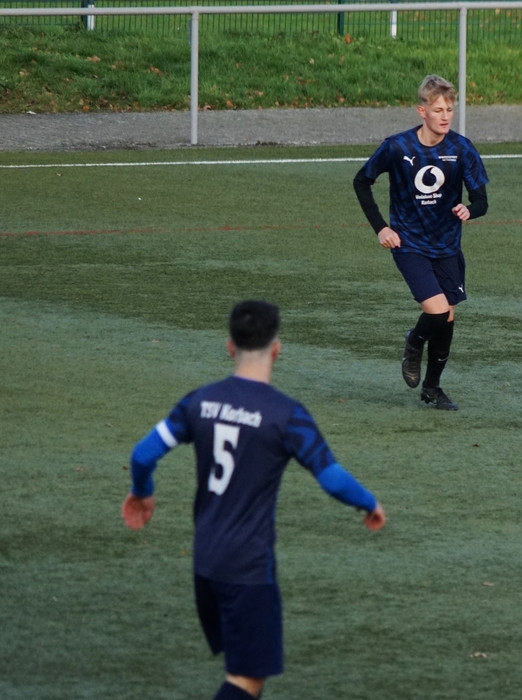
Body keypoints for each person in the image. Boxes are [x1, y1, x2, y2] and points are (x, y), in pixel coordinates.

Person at [121, 300, 386, 700]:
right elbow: (331, 478)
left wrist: (142, 492)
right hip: (247, 565)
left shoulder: (199, 401)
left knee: (242, 672)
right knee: (246, 680)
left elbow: (143, 455)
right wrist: (369, 503)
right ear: (276, 348)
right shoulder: (286, 414)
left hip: (205, 558)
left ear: (230, 346)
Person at [353, 74, 490, 411]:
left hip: (447, 246)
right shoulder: (398, 147)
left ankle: (432, 388)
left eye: (449, 110)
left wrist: (469, 210)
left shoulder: (461, 149)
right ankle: (413, 341)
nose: (445, 116)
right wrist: (381, 228)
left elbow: (481, 201)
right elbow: (362, 181)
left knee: (448, 317)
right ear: (422, 111)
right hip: (409, 244)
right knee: (437, 311)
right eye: (438, 110)